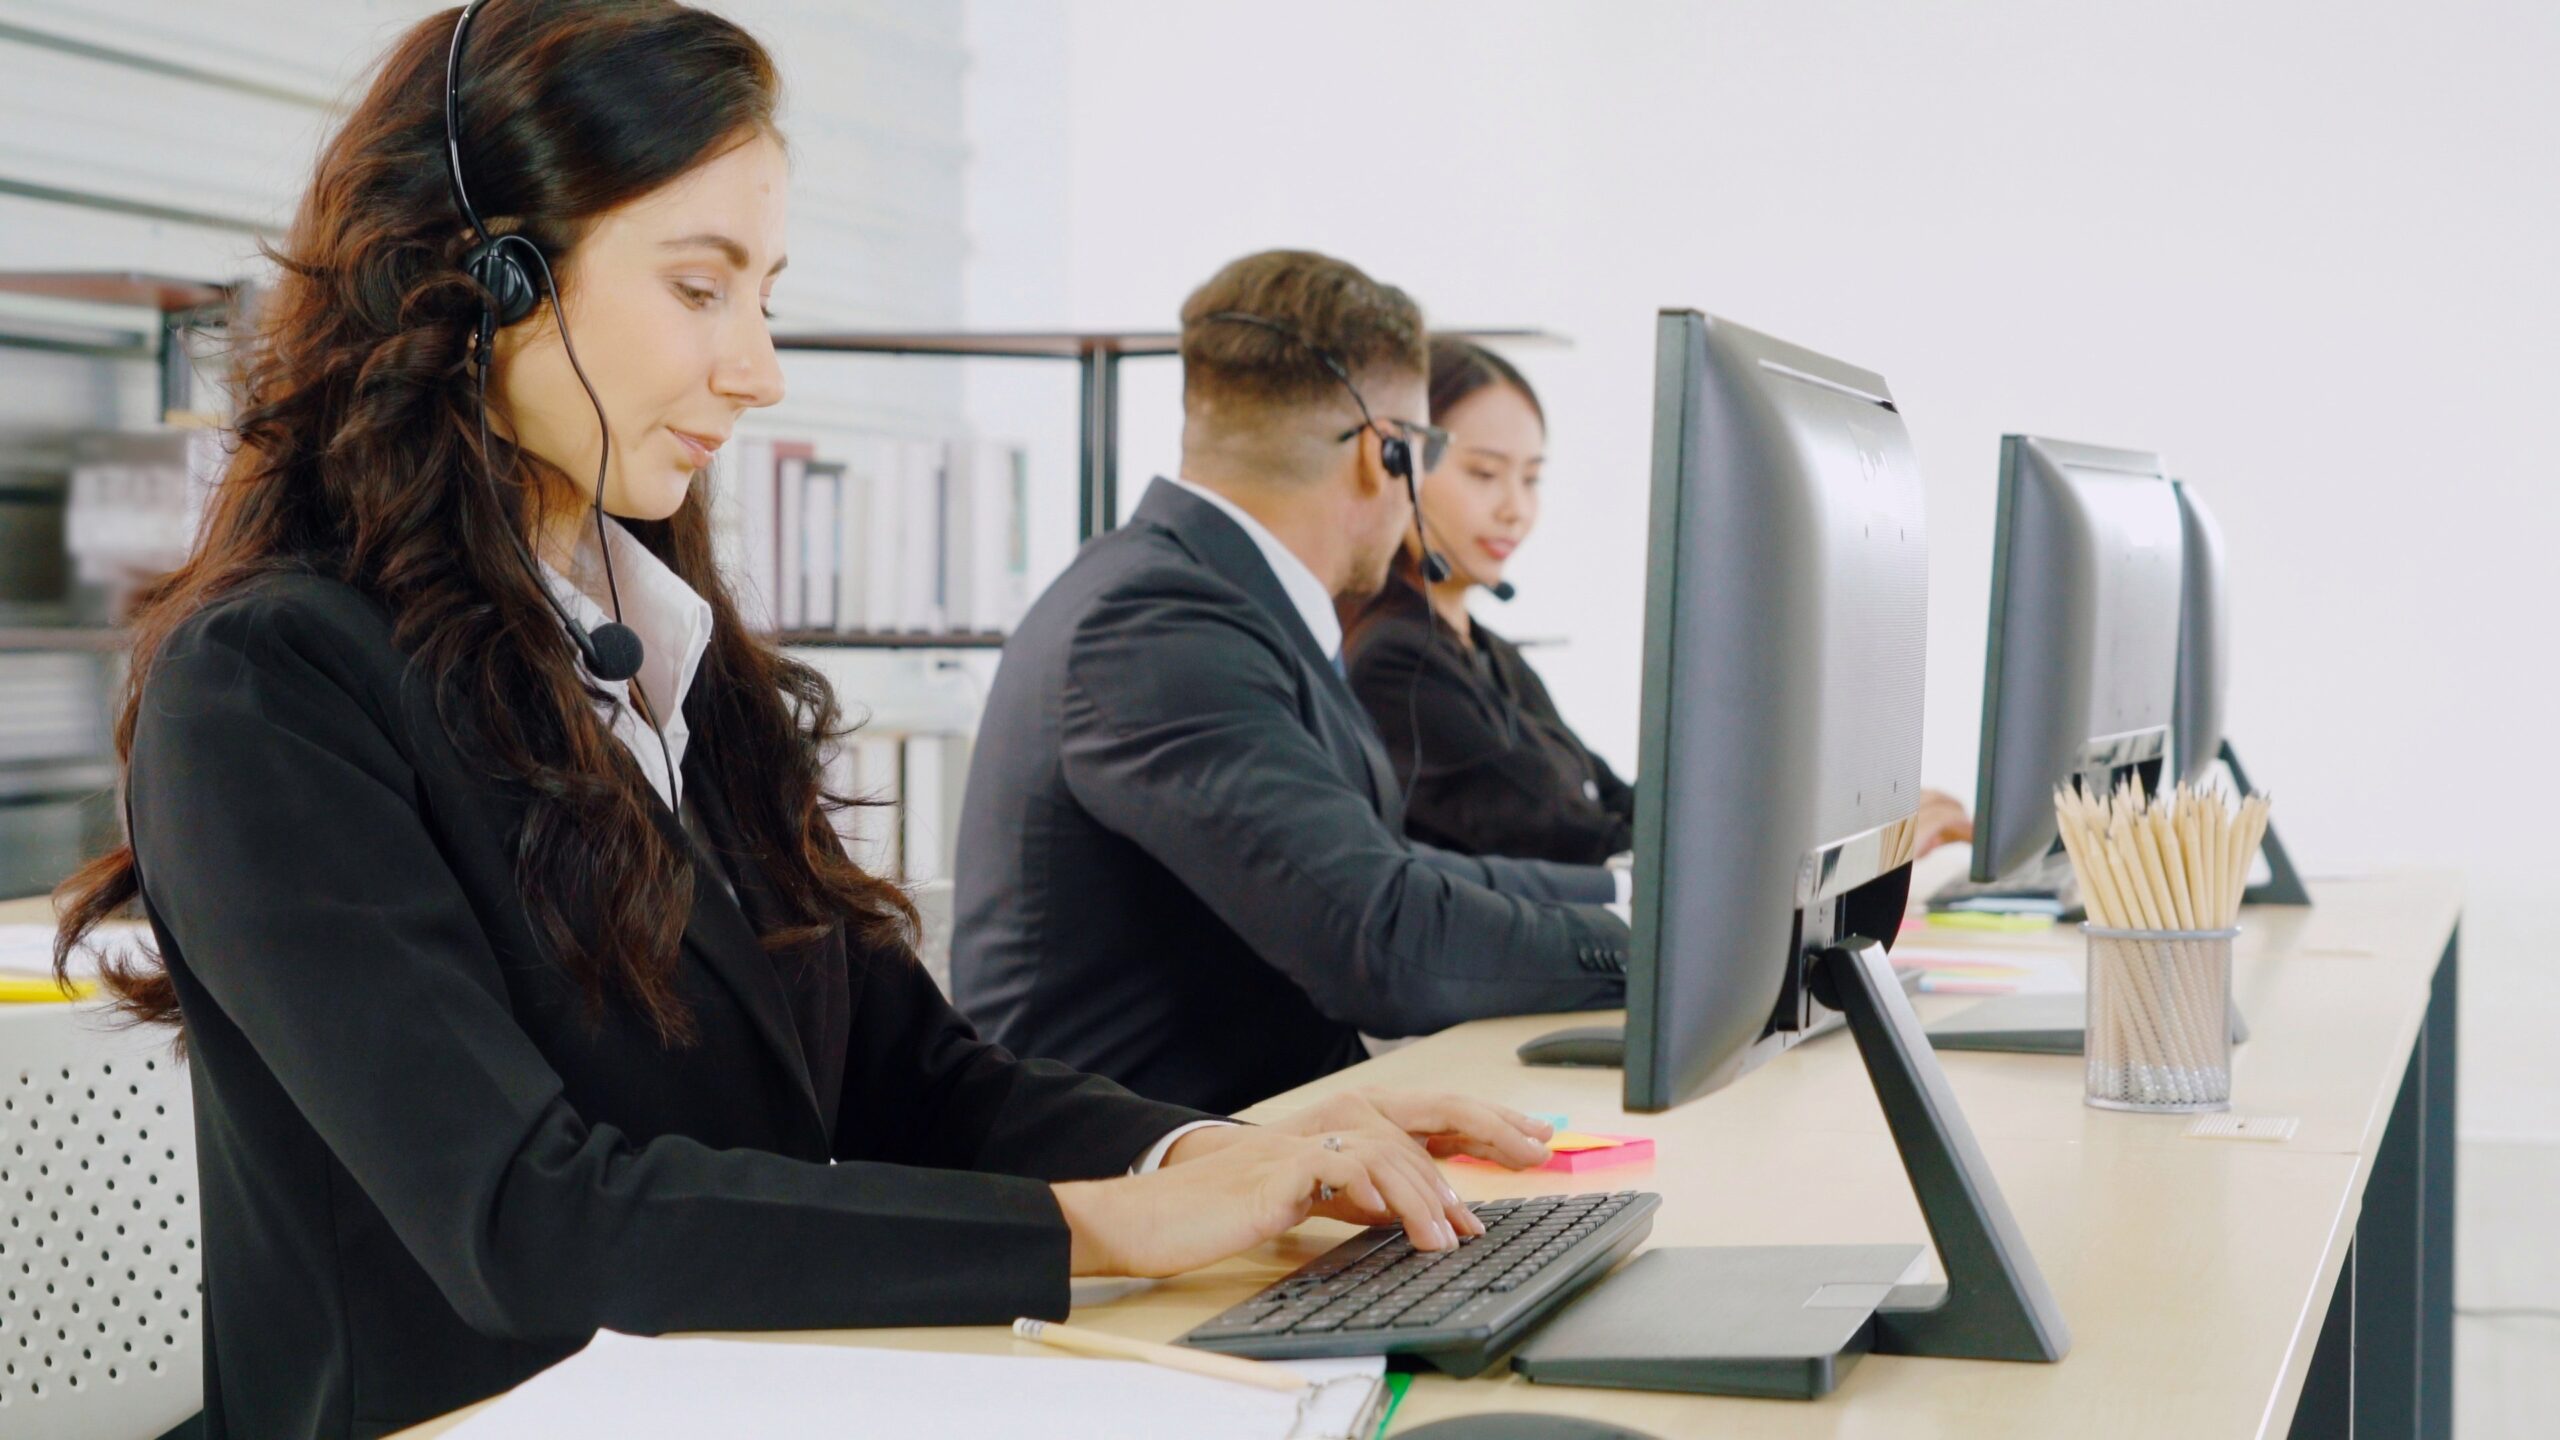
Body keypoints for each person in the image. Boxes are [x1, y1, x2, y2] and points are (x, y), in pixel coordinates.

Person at [48, 9, 1552, 1437]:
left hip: (744, 1396)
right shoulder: (267, 686)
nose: (755, 370)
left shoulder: (662, 657)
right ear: (486, 276)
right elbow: (524, 1215)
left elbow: (907, 1073)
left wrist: (1236, 1158)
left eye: (765, 299)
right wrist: (1105, 1228)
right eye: (699, 289)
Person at [950, 250, 1632, 1118]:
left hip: (1271, 1143)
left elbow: (1377, 870)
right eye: (1424, 451)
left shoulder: (1210, 596)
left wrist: (1620, 894)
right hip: (1162, 1195)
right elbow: (1380, 939)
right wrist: (1650, 949)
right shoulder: (1156, 626)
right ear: (1381, 454)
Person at [1345, 339, 1976, 866]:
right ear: (1403, 464)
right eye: (1484, 473)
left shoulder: (1487, 654)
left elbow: (1620, 805)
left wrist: (1834, 809)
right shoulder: (1398, 666)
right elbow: (1589, 847)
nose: (1516, 507)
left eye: (1531, 478)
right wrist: (1837, 843)